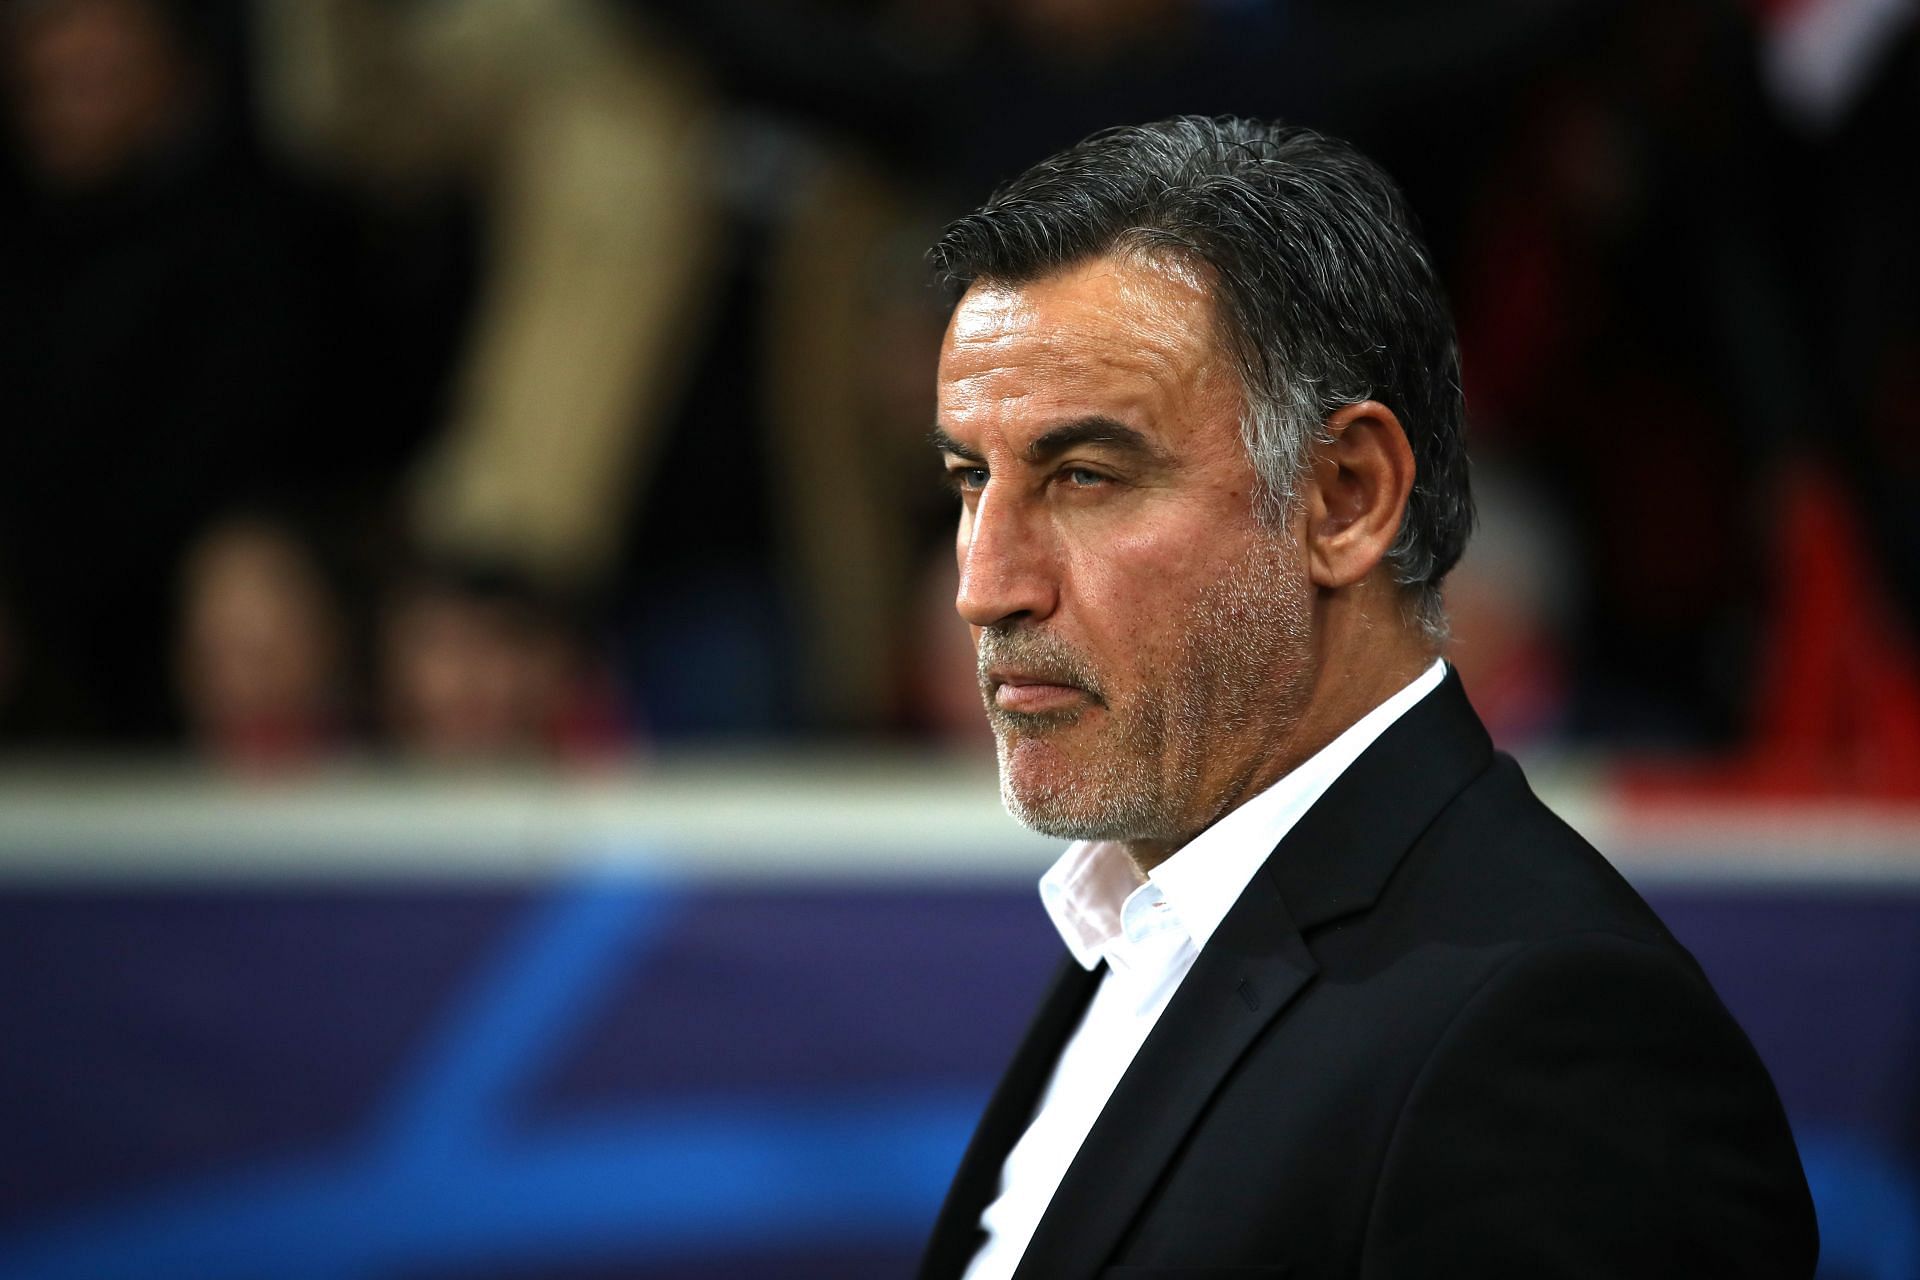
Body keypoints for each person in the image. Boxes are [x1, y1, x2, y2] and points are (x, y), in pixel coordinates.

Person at [916, 116, 1816, 1279]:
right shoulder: (1143, 923)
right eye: (970, 478)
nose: (984, 586)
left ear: (1345, 496)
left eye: (1083, 475)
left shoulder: (1554, 1039)